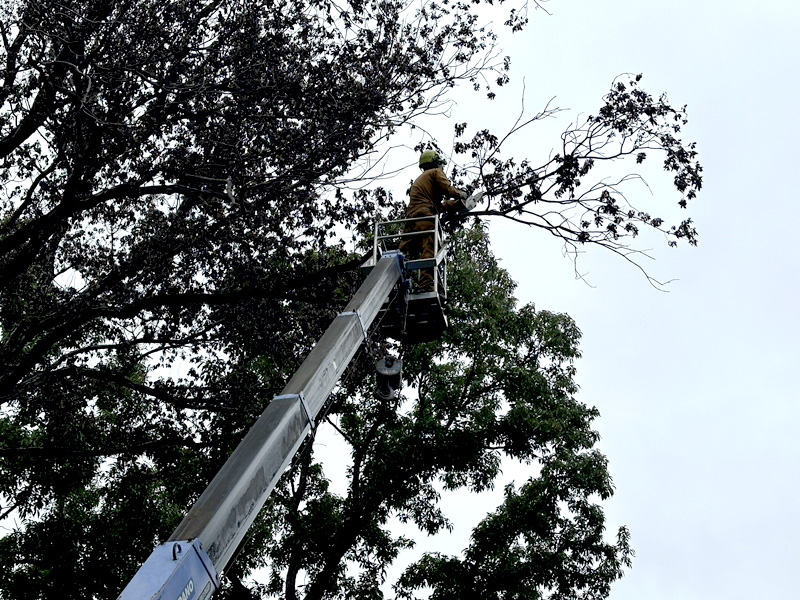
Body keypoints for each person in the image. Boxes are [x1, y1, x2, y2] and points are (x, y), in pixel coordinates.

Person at [399, 150, 467, 292]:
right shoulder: (436, 172)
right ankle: (426, 285)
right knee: (429, 250)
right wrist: (461, 194)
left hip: (412, 221)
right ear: (436, 163)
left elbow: (439, 206)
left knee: (403, 255)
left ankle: (398, 285)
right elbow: (448, 190)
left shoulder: (421, 181)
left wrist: (457, 205)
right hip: (425, 219)